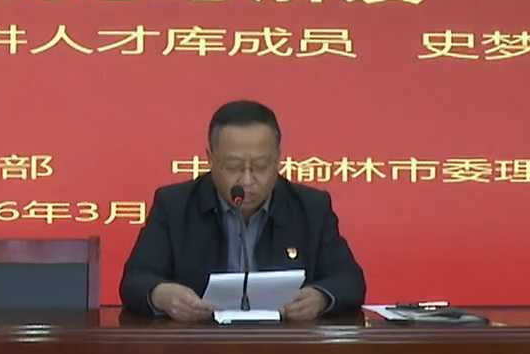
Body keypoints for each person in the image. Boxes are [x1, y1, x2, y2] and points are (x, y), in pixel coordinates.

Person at [119, 100, 365, 322]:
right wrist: (162, 295)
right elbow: (135, 281)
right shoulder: (174, 205)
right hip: (198, 345)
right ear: (210, 159)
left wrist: (320, 297)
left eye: (261, 166)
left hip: (285, 346)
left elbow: (350, 281)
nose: (247, 180)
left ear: (278, 159)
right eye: (233, 166)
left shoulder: (311, 207)